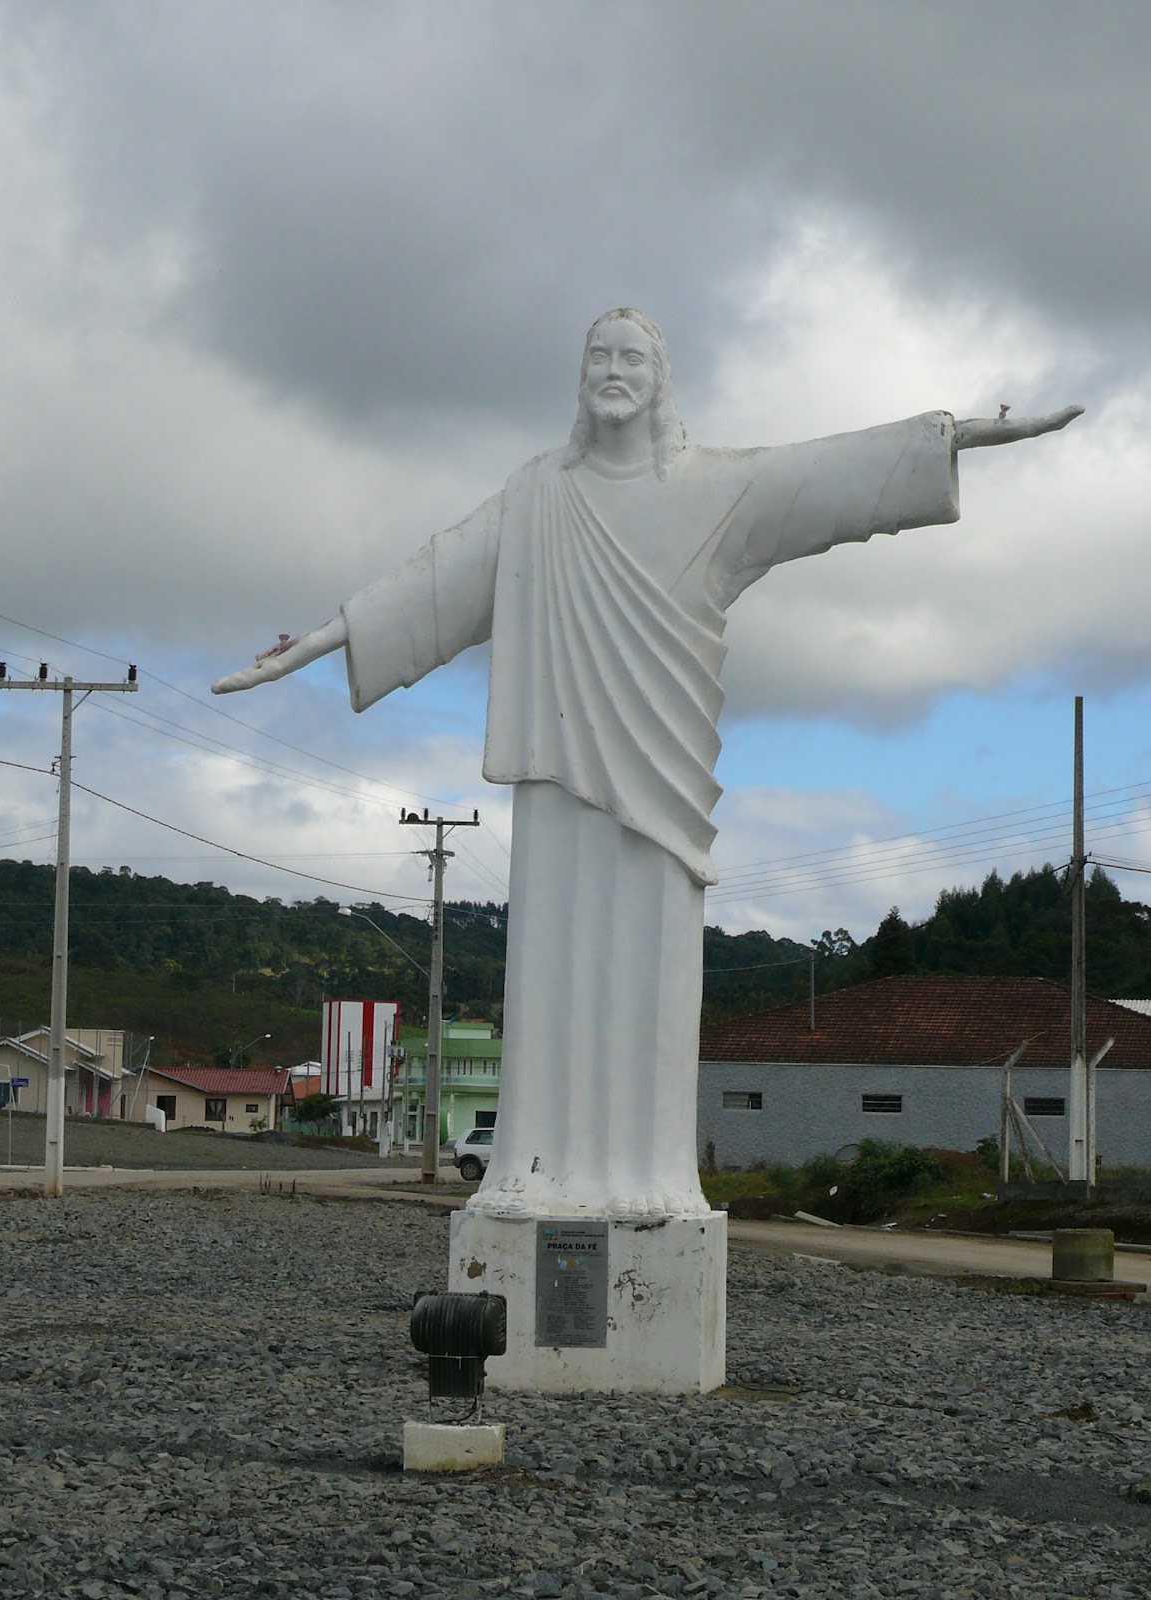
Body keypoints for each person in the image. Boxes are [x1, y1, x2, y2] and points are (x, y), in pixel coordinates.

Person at [215, 308, 1081, 1220]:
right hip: (557, 770)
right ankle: (531, 1174)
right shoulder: (537, 496)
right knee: (548, 961)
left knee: (650, 972)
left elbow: (827, 474)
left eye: (632, 356)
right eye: (598, 354)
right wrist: (316, 641)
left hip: (661, 775)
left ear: (660, 379)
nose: (612, 370)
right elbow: (434, 582)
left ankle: (653, 1180)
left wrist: (959, 435)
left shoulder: (714, 490)